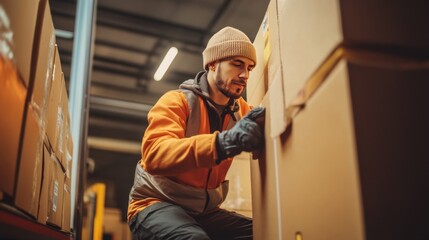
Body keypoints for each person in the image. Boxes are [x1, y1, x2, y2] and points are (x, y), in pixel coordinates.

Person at [127, 26, 265, 240]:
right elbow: (155, 153)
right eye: (237, 64)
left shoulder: (243, 112)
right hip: (156, 204)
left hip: (203, 212)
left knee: (265, 233)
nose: (244, 75)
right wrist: (221, 143)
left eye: (249, 68)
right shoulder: (177, 101)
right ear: (212, 63)